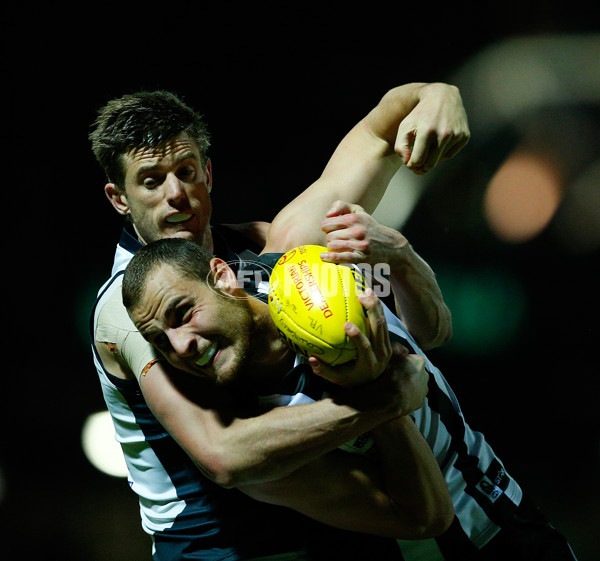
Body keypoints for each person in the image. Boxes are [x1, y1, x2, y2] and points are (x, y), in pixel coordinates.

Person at [89, 84, 471, 560]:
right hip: (217, 545)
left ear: (207, 173)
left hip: (326, 521)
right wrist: (381, 398)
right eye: (150, 181)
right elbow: (221, 455)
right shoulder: (131, 308)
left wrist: (439, 94)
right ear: (119, 198)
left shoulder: (257, 251)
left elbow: (378, 133)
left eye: (185, 172)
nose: (176, 196)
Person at [121, 218, 579, 561]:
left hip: (515, 511)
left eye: (182, 313)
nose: (181, 345)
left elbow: (435, 332)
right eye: (160, 340)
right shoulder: (255, 435)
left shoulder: (300, 263)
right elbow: (426, 518)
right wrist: (377, 396)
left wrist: (400, 256)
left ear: (223, 277)